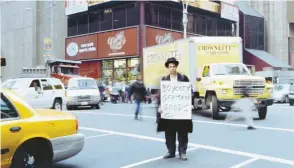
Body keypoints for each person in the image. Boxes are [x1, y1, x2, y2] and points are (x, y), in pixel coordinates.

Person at [157, 57, 193, 161]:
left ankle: (182, 152)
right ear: (168, 68)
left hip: (181, 111)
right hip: (169, 111)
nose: (172, 68)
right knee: (169, 132)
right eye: (170, 66)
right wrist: (160, 106)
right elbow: (162, 95)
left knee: (182, 132)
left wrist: (189, 104)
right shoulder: (164, 79)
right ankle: (171, 151)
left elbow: (188, 92)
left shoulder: (183, 78)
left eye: (174, 66)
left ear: (176, 67)